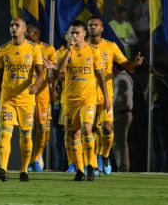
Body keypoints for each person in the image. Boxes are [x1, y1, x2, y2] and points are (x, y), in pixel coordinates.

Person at [87, 17, 143, 175]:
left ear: (102, 28)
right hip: (88, 95)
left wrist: (135, 63)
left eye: (95, 25)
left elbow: (125, 65)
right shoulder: (82, 47)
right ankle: (95, 163)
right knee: (90, 130)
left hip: (106, 95)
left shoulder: (110, 46)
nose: (93, 27)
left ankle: (105, 156)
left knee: (107, 127)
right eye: (90, 25)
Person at [56, 20, 109, 182]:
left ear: (84, 34)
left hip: (88, 98)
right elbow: (59, 70)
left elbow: (100, 76)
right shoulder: (64, 51)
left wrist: (106, 97)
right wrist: (69, 50)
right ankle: (79, 169)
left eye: (77, 33)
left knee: (87, 129)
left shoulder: (93, 51)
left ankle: (91, 166)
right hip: (70, 100)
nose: (74, 35)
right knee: (74, 134)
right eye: (72, 33)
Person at [0, 18, 44, 182]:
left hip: (26, 101)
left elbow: (42, 73)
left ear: (24, 30)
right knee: (5, 134)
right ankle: (2, 168)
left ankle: (24, 170)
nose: (13, 28)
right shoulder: (2, 49)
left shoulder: (34, 48)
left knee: (26, 136)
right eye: (11, 25)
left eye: (17, 25)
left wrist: (36, 86)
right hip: (7, 100)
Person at [24, 24, 55, 173]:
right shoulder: (22, 49)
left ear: (36, 35)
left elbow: (57, 70)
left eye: (30, 35)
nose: (27, 37)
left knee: (43, 128)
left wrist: (54, 88)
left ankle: (36, 157)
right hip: (26, 94)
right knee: (28, 129)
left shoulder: (49, 49)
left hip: (43, 95)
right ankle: (30, 160)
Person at [112, 64, 134, 172]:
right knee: (119, 143)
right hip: (124, 113)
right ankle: (122, 167)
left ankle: (123, 168)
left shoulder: (121, 79)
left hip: (121, 114)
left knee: (120, 144)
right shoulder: (126, 77)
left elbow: (117, 100)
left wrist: (110, 112)